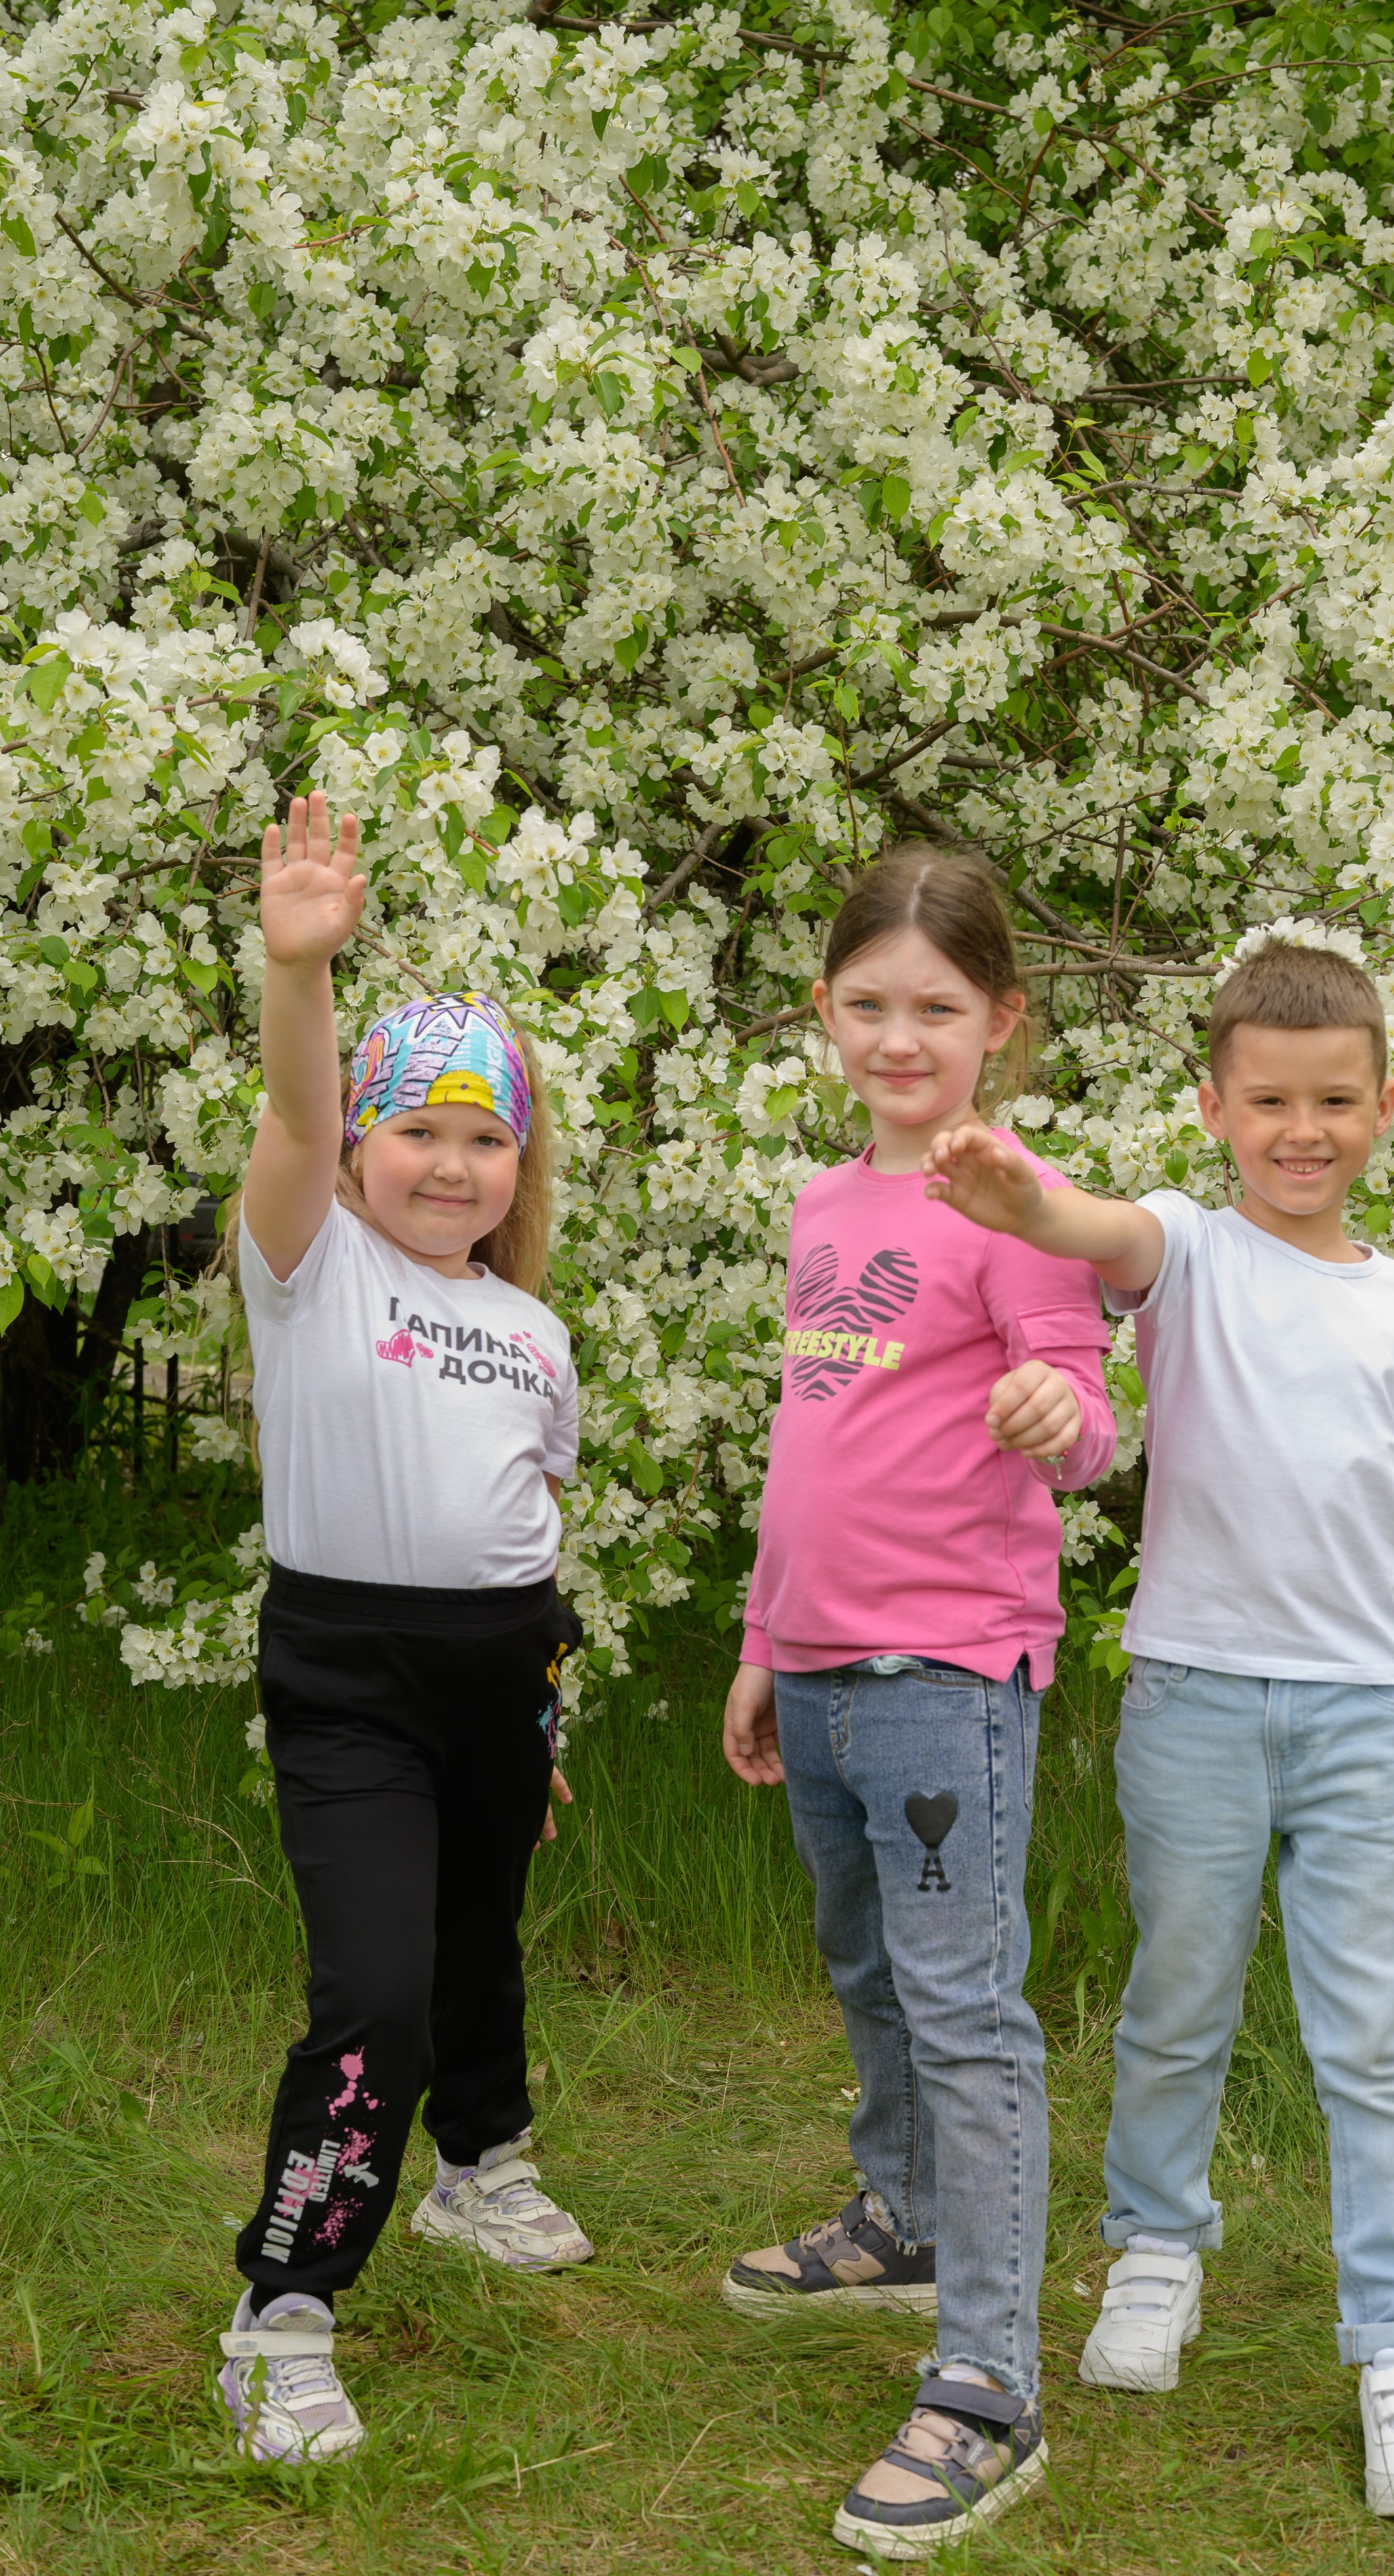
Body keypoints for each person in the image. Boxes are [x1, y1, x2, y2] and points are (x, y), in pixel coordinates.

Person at [921, 932, 1394, 2520]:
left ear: (1383, 1106)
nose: (1299, 1131)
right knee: (1177, 1996)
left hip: (1365, 1720)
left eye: (1331, 1101)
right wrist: (1007, 1189)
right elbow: (1080, 1220)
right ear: (1214, 1104)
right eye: (1267, 1102)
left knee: (1379, 2040)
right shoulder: (1182, 1246)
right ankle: (1154, 2246)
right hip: (1190, 1697)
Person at [720, 848, 1117, 2558]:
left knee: (964, 2008)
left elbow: (1094, 1413)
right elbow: (806, 1436)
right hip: (813, 1660)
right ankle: (901, 2213)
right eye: (867, 1004)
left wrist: (1051, 1404)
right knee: (863, 1962)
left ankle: (987, 2386)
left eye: (935, 1009)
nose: (900, 1037)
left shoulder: (1008, 1195)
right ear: (825, 1014)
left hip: (946, 1665)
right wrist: (758, 1635)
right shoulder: (821, 1206)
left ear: (999, 1021)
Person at [216, 791, 592, 2464]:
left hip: (501, 1674)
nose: (450, 1164)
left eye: (484, 1136)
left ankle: (480, 2165)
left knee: (475, 1941)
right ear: (364, 1139)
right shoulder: (311, 1265)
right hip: (350, 1679)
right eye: (417, 1129)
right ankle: (285, 2310)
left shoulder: (532, 1324)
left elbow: (532, 1525)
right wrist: (303, 972)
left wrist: (544, 1715)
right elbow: (289, 1125)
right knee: (375, 1995)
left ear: (520, 1159)